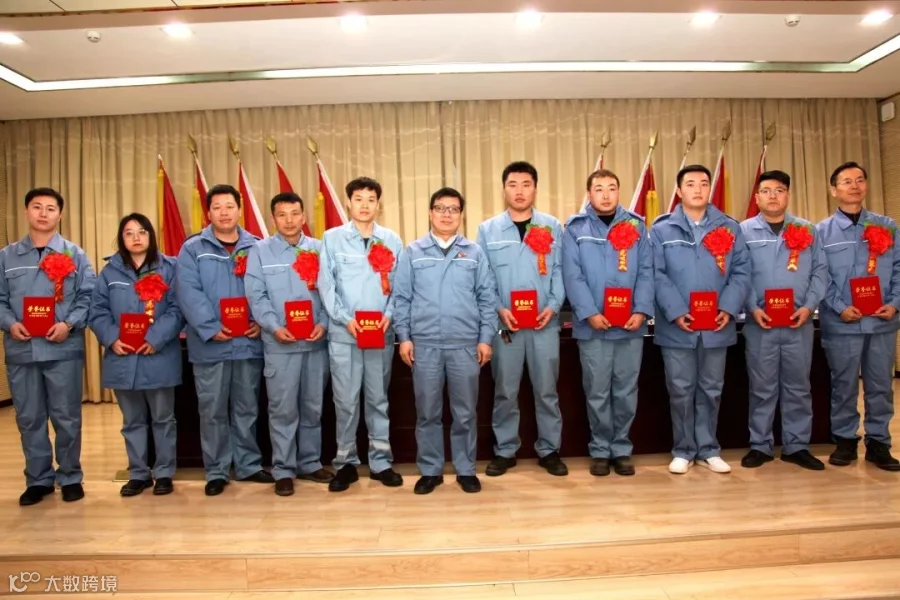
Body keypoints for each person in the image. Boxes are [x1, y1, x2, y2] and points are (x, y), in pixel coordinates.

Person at [394, 188, 498, 494]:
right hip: (424, 345)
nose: (446, 214)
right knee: (427, 412)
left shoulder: (474, 253)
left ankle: (466, 470)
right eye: (440, 208)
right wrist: (404, 338)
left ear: (461, 215)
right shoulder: (412, 252)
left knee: (465, 413)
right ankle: (430, 470)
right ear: (430, 213)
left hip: (465, 344)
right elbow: (401, 298)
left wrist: (485, 338)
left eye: (453, 209)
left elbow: (487, 299)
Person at [651, 165, 750, 475]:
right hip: (677, 326)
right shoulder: (662, 229)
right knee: (680, 390)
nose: (698, 189)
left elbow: (742, 271)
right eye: (690, 184)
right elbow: (656, 274)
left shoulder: (730, 228)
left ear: (710, 189)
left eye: (704, 183)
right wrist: (676, 310)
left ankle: (708, 449)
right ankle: (683, 450)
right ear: (679, 191)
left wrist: (728, 308)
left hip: (716, 325)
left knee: (711, 388)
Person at [0, 188, 96, 506]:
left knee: (66, 417)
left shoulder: (75, 255)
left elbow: (88, 296)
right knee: (29, 418)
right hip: (22, 350)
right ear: (26, 211)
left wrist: (68, 323)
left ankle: (70, 476)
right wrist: (10, 323)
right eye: (37, 207)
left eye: (51, 208)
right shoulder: (6, 256)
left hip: (63, 349)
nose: (43, 213)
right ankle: (38, 479)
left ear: (60, 214)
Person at [176, 184, 273, 496]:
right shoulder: (192, 249)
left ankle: (248, 465)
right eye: (217, 207)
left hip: (248, 342)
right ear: (208, 212)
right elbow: (188, 292)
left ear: (240, 210)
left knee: (247, 408)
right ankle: (217, 470)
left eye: (230, 206)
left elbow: (266, 288)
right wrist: (210, 326)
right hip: (210, 345)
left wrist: (260, 321)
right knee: (213, 410)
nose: (224, 212)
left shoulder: (257, 246)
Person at [476, 161, 568, 477]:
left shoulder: (552, 226)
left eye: (526, 184)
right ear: (504, 189)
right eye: (513, 184)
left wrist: (553, 306)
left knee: (547, 390)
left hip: (544, 325)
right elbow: (484, 278)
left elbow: (559, 271)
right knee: (505, 390)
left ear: (535, 189)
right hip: (506, 328)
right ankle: (505, 450)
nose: (519, 191)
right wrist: (499, 308)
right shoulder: (487, 230)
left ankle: (550, 450)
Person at [561, 169, 653, 477]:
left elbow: (647, 271)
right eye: (599, 188)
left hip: (630, 326)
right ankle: (600, 449)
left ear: (619, 192)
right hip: (593, 326)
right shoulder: (576, 229)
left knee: (626, 391)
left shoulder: (636, 226)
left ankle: (621, 449)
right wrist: (588, 312)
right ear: (589, 193)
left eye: (611, 188)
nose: (605, 194)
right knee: (597, 391)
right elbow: (572, 275)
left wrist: (641, 310)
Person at [318, 176, 404, 492]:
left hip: (380, 334)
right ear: (348, 203)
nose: (365, 205)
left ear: (378, 204)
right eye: (358, 199)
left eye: (371, 199)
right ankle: (345, 464)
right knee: (346, 401)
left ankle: (381, 462)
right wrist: (344, 319)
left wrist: (389, 315)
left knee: (378, 399)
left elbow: (401, 285)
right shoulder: (332, 239)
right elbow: (326, 285)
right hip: (345, 336)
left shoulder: (392, 240)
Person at [89, 213, 184, 496]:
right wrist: (111, 338)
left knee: (163, 419)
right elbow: (97, 311)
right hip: (123, 356)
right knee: (132, 421)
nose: (136, 238)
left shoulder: (170, 268)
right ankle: (138, 473)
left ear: (151, 235)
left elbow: (178, 309)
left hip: (159, 357)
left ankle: (164, 473)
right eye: (129, 233)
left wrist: (156, 338)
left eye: (142, 232)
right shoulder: (109, 272)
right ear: (122, 239)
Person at [244, 192, 332, 497]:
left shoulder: (320, 249)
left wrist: (324, 323)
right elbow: (256, 296)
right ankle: (283, 469)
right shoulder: (259, 251)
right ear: (274, 219)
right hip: (280, 345)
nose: (290, 220)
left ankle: (310, 462)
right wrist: (273, 326)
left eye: (295, 213)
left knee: (312, 408)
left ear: (304, 216)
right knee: (282, 410)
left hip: (315, 344)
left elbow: (330, 291)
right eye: (282, 215)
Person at [739, 171, 828, 471]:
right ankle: (760, 446)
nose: (773, 196)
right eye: (766, 190)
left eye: (779, 190)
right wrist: (752, 307)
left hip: (798, 323)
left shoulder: (807, 230)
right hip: (759, 323)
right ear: (757, 197)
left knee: (798, 387)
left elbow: (820, 271)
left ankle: (796, 446)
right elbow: (739, 274)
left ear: (788, 195)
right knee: (761, 387)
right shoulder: (743, 231)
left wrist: (810, 307)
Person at [817, 161, 900, 471]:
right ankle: (845, 440)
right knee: (844, 385)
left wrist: (895, 303)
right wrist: (839, 306)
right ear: (833, 190)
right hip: (842, 324)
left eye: (860, 180)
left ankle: (879, 443)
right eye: (847, 181)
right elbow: (819, 276)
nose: (854, 186)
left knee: (881, 385)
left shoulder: (887, 226)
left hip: (881, 322)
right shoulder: (821, 232)